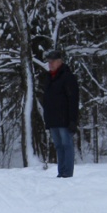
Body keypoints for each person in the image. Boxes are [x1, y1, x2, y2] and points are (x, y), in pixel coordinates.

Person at [40, 49, 80, 178]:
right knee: (58, 146)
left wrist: (73, 120)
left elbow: (73, 100)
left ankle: (67, 173)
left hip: (64, 119)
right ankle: (61, 172)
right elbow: (47, 100)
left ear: (59, 62)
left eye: (52, 62)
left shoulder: (67, 77)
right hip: (53, 119)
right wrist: (47, 120)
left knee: (67, 145)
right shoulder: (48, 78)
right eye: (49, 62)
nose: (50, 64)